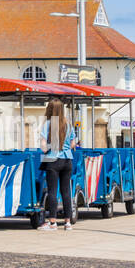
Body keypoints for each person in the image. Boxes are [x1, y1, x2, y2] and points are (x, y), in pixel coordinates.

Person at [39, 98, 78, 232]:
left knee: (52, 192)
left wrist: (47, 148)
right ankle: (67, 223)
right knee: (66, 192)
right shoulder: (68, 124)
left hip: (53, 159)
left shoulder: (48, 124)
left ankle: (53, 223)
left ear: (50, 109)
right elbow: (73, 143)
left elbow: (43, 147)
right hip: (67, 160)